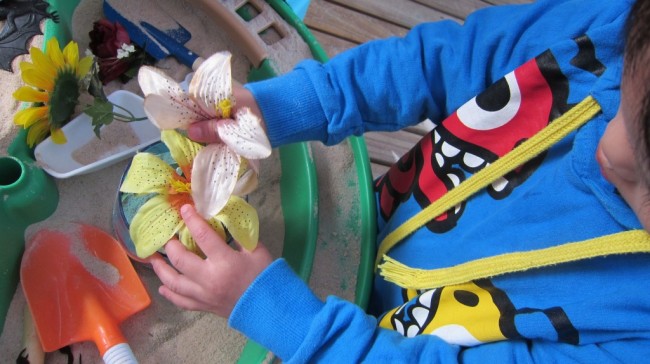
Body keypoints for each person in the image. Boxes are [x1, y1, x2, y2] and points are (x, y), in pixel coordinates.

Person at [149, 0, 650, 361]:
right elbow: (441, 63)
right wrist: (280, 107)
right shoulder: (614, 26)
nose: (607, 148)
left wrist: (281, 317)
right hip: (383, 222)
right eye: (618, 105)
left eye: (640, 180)